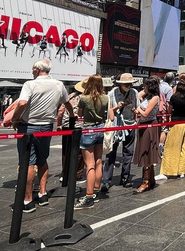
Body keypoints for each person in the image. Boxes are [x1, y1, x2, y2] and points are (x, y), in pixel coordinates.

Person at [10, 59, 72, 212]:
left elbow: (23, 103)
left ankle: (28, 199)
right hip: (46, 127)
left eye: (33, 68)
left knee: (28, 163)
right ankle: (43, 193)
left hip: (29, 126)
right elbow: (68, 102)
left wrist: (14, 118)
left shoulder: (30, 84)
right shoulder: (59, 84)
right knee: (42, 159)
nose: (32, 71)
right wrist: (72, 116)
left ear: (37, 69)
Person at [74, 75, 108, 210]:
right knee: (99, 160)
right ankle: (96, 190)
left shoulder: (84, 98)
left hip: (88, 129)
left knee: (89, 164)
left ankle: (88, 196)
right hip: (100, 128)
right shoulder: (105, 98)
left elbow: (80, 114)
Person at [102, 74, 138, 191]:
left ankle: (125, 178)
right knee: (111, 153)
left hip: (130, 124)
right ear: (120, 84)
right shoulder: (112, 93)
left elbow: (136, 109)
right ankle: (106, 180)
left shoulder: (134, 93)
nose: (128, 86)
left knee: (128, 152)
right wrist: (118, 106)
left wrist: (133, 109)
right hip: (116, 125)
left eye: (130, 83)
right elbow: (109, 111)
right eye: (126, 84)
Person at [160, 78, 185, 178]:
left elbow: (169, 110)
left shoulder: (174, 97)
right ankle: (182, 171)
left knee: (171, 148)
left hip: (176, 123)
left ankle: (168, 171)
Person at [133, 77, 161, 194]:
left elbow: (146, 113)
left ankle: (146, 181)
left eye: (146, 85)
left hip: (150, 126)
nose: (144, 87)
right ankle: (150, 178)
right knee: (144, 151)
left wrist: (138, 108)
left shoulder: (155, 98)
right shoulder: (147, 97)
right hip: (143, 125)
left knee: (147, 152)